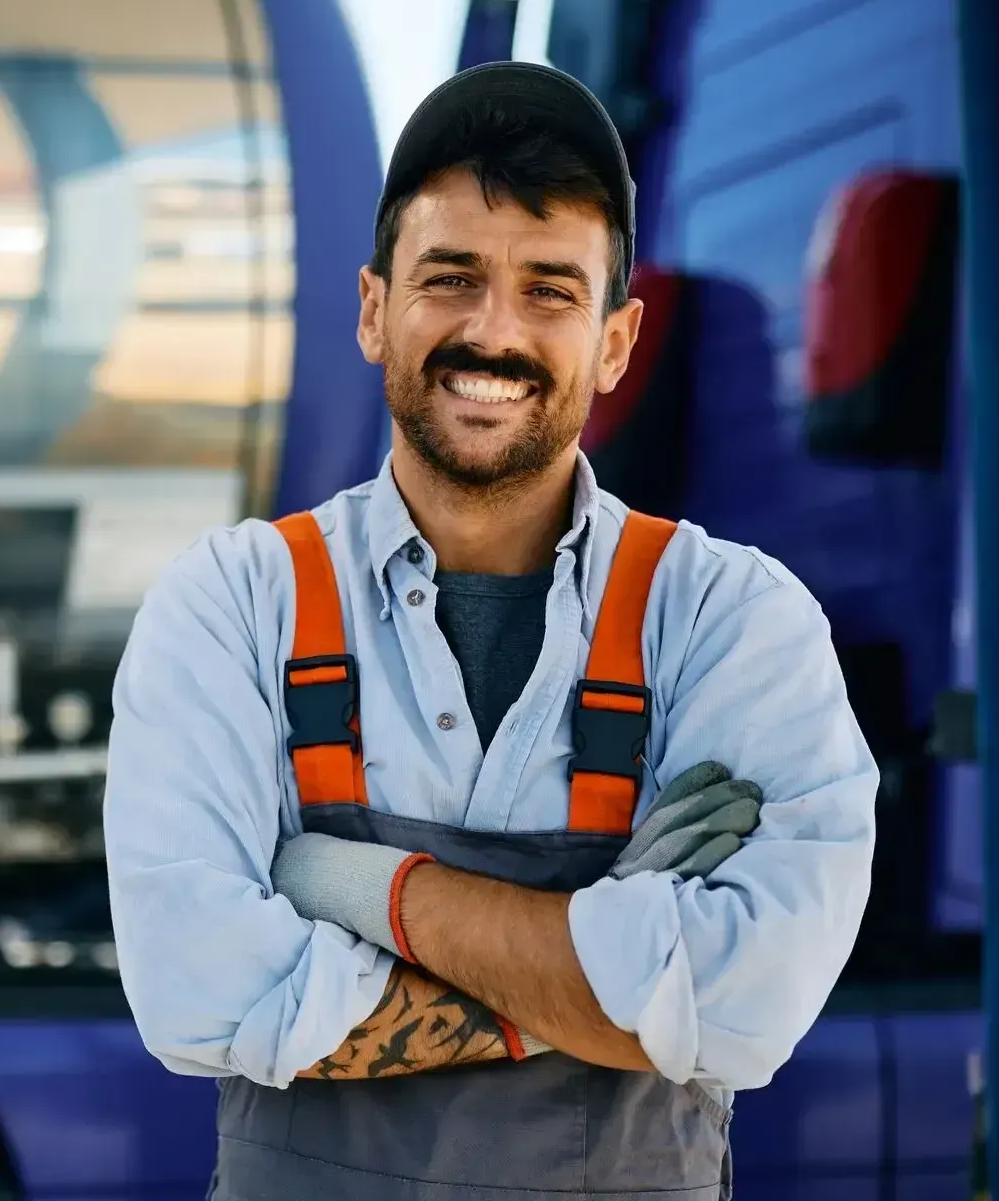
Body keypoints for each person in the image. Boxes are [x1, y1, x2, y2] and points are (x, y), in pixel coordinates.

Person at [101, 61, 878, 1200]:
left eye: (551, 289)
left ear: (615, 341)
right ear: (375, 308)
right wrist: (610, 975)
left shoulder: (727, 617)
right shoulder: (236, 604)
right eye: (450, 276)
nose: (492, 330)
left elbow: (745, 1006)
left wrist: (363, 890)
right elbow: (196, 991)